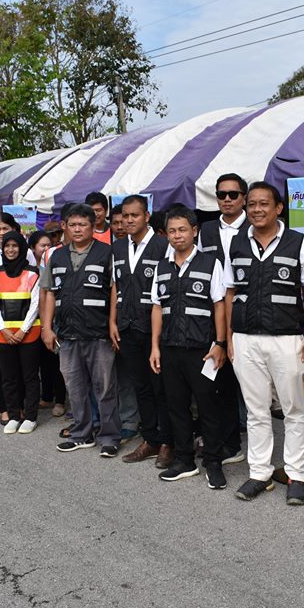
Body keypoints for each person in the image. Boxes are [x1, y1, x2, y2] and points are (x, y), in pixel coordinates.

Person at [225, 182, 304, 505]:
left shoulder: (299, 243)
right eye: (251, 204)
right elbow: (230, 291)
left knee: (294, 410)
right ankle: (260, 474)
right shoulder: (237, 243)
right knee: (256, 411)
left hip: (287, 339)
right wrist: (228, 338)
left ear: (278, 208)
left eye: (264, 203)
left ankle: (297, 475)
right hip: (245, 339)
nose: (257, 209)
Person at [149, 207, 229, 488]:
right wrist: (155, 347)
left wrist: (220, 344)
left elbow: (219, 305)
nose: (177, 235)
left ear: (194, 231)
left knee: (208, 407)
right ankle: (184, 460)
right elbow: (157, 308)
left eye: (182, 229)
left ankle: (213, 462)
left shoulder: (210, 263)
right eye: (172, 231)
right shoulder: (161, 267)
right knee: (176, 406)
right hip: (170, 348)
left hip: (202, 350)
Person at [40, 203, 121, 457]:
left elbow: (114, 291)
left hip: (98, 333)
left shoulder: (107, 253)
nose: (77, 229)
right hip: (67, 334)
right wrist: (46, 327)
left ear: (93, 226)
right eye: (72, 225)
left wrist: (112, 323)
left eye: (83, 224)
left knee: (105, 388)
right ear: (64, 226)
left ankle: (110, 437)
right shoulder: (57, 256)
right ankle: (81, 434)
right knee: (75, 388)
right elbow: (49, 293)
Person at [109, 195, 174, 467]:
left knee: (162, 387)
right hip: (127, 326)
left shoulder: (163, 245)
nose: (129, 220)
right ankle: (150, 439)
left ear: (147, 216)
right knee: (141, 386)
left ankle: (168, 442)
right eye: (125, 216)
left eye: (134, 215)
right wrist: (112, 321)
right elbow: (116, 286)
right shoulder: (117, 247)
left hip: (155, 327)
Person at [199, 173, 250, 463]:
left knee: (247, 382)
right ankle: (227, 441)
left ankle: (244, 436)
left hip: (247, 312)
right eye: (222, 194)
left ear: (244, 197)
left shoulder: (255, 226)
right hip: (213, 313)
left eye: (233, 194)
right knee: (219, 379)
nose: (227, 199)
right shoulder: (206, 230)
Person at [0, 231, 42, 434]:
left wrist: (22, 330)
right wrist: (4, 329)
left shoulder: (33, 273)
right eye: (7, 246)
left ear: (22, 248)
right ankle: (13, 415)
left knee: (30, 376)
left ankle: (30, 416)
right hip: (2, 334)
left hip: (29, 333)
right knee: (8, 377)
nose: (11, 250)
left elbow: (36, 304)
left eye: (15, 246)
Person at [28, 231, 65, 415]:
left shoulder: (53, 260)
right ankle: (47, 396)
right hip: (35, 319)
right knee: (44, 361)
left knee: (56, 360)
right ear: (33, 247)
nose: (46, 248)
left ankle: (60, 400)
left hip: (53, 316)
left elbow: (48, 292)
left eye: (48, 245)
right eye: (42, 245)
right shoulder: (28, 268)